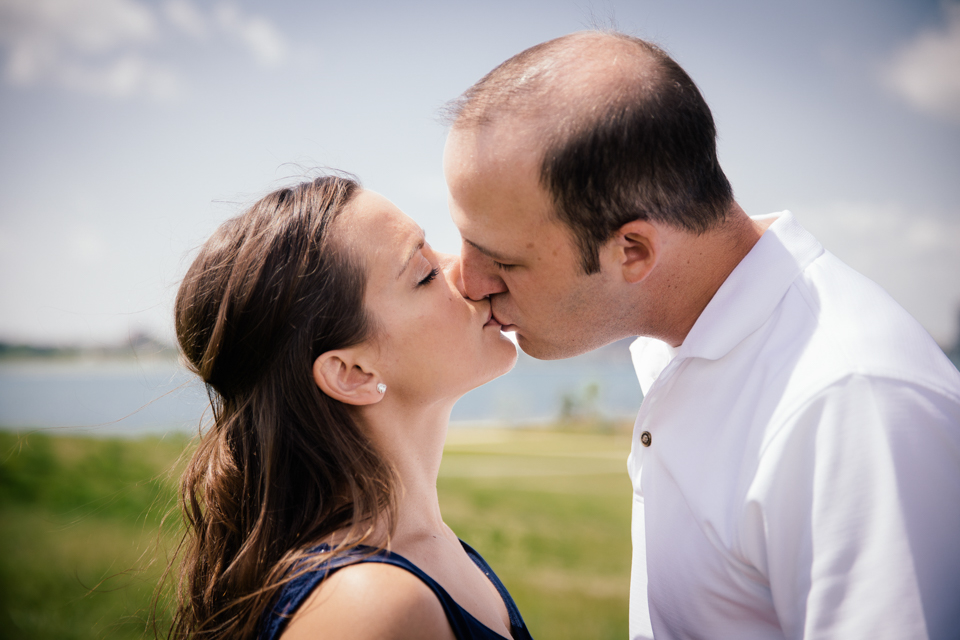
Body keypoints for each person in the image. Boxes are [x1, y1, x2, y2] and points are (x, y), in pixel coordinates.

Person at [443, 30, 960, 639]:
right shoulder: (694, 341)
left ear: (631, 251)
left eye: (501, 259)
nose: (466, 280)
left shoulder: (850, 406)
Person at [164, 174, 534, 640]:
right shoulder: (372, 608)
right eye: (424, 274)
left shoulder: (431, 551)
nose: (463, 269)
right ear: (351, 373)